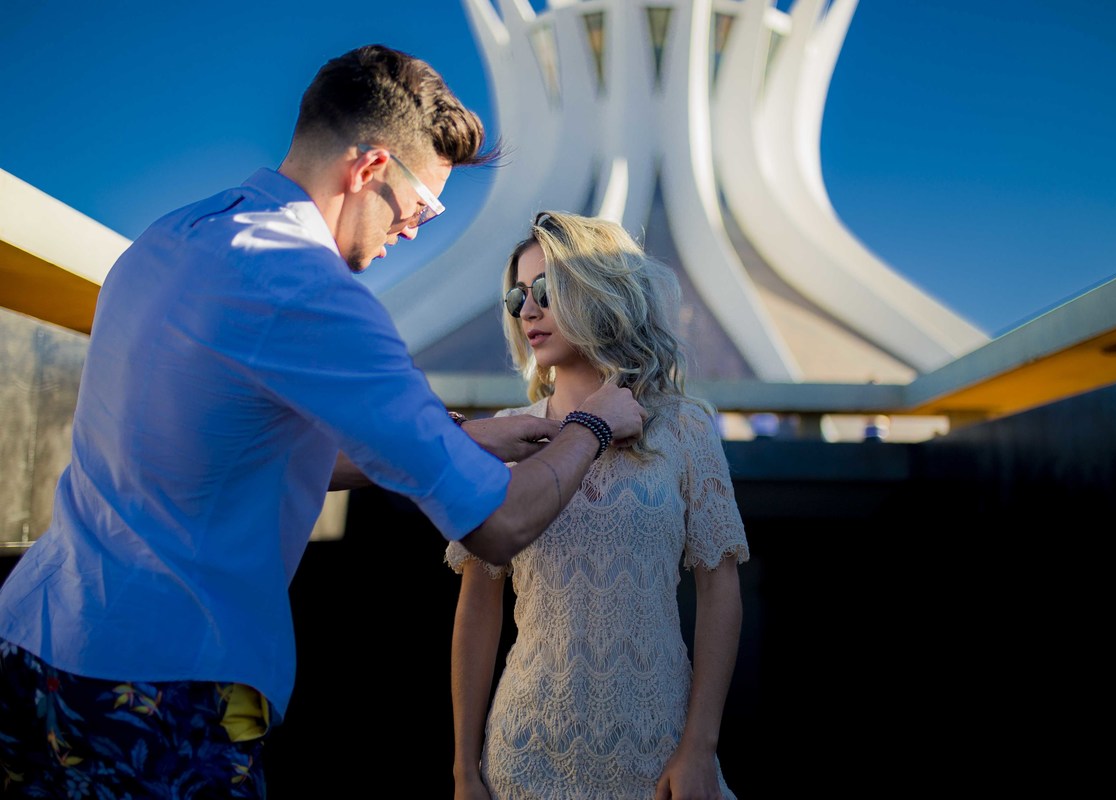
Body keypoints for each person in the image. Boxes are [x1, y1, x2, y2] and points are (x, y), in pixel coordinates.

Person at [0, 47, 645, 798]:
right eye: (423, 207)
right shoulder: (308, 292)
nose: (416, 229)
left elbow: (245, 448)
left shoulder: (173, 236)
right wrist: (591, 428)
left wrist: (466, 438)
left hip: (34, 644)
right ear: (370, 170)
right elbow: (497, 524)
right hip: (162, 687)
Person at [447, 211, 750, 799]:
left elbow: (721, 591)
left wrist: (699, 748)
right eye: (517, 297)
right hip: (523, 751)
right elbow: (477, 609)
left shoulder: (683, 428)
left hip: (658, 747)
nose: (527, 310)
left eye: (545, 290)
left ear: (599, 292)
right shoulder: (504, 435)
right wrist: (463, 767)